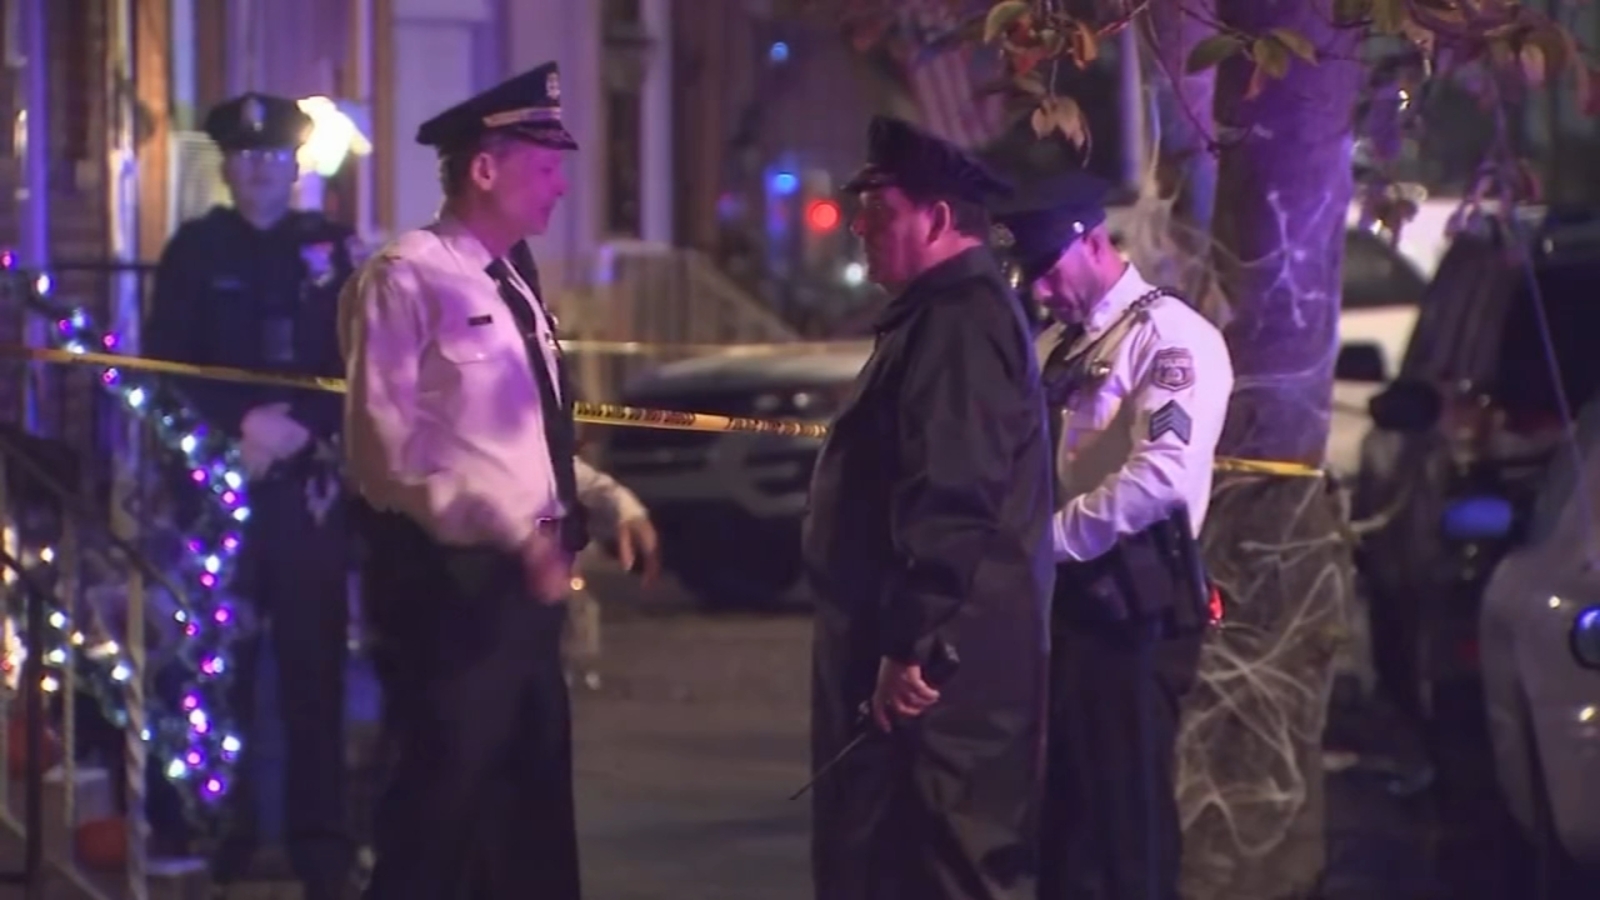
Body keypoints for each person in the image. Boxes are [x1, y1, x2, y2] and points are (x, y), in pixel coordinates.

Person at [337, 61, 658, 900]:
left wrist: (606, 500)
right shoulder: (405, 277)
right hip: (454, 592)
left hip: (526, 592)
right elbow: (384, 457)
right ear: (485, 169)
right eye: (544, 168)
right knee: (435, 826)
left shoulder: (512, 281)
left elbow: (521, 446)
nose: (560, 186)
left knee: (529, 830)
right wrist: (508, 531)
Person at [801, 115, 1057, 900]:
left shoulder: (959, 322)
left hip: (943, 680)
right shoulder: (937, 315)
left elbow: (954, 487)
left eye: (879, 213)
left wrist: (910, 640)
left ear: (939, 219)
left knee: (941, 861)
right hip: (929, 662)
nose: (860, 229)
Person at [994, 170, 1234, 900]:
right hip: (1067, 602)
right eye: (1030, 274)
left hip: (1134, 603)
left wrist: (1048, 541)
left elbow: (1162, 476)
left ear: (1094, 242)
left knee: (1127, 823)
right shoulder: (1058, 344)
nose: (1040, 290)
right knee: (1065, 823)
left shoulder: (1169, 339)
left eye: (1049, 268)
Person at [145, 91, 360, 900]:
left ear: (293, 167)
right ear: (228, 170)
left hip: (307, 492)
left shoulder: (332, 251)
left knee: (315, 676)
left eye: (273, 158)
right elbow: (167, 363)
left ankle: (323, 850)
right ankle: (217, 836)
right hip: (218, 491)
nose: (259, 171)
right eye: (245, 158)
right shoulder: (195, 252)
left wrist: (301, 427)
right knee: (214, 674)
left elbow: (362, 360)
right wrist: (243, 424)